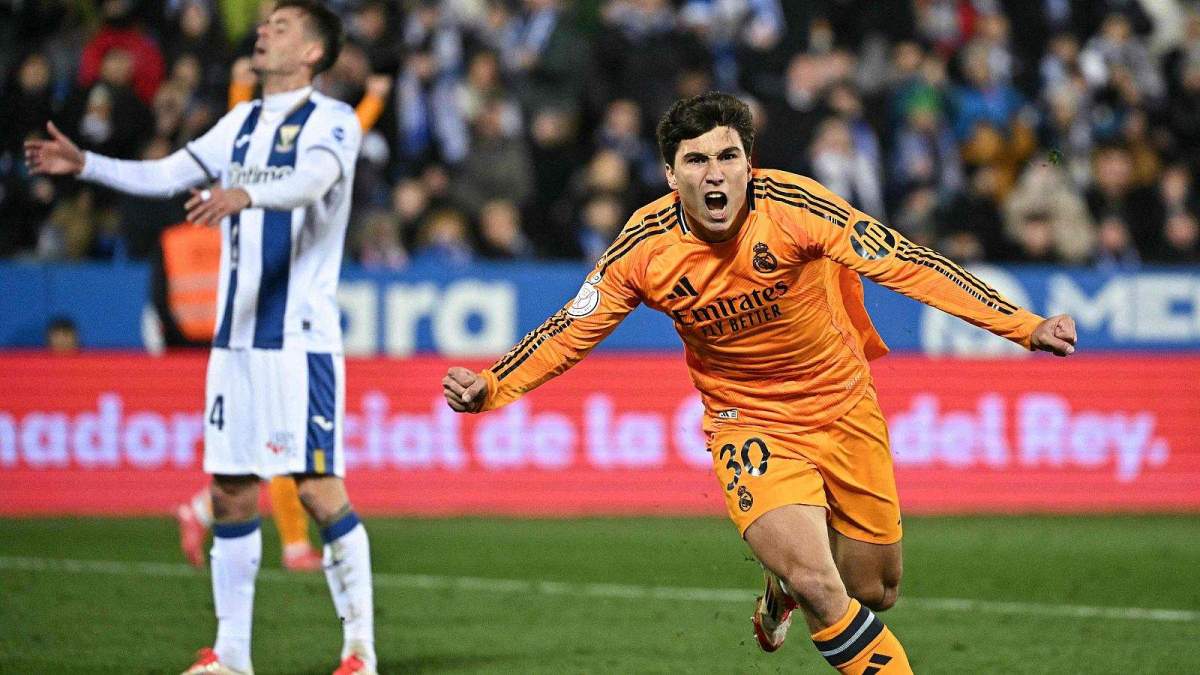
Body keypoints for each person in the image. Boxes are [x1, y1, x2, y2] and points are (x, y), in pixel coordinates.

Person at [442, 92, 1078, 674]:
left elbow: (907, 263)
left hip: (843, 405)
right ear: (671, 176)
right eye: (695, 161)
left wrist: (1022, 326)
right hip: (747, 421)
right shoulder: (644, 247)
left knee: (874, 591)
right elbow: (570, 327)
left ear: (750, 164)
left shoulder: (798, 207)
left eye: (728, 156)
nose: (714, 173)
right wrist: (493, 384)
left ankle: (779, 586)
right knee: (821, 586)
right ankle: (793, 579)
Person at [25, 2, 377, 673]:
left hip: (298, 339)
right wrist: (88, 164)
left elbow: (314, 180)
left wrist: (245, 196)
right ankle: (232, 657)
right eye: (265, 22)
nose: (264, 30)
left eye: (282, 26)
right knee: (230, 492)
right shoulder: (242, 120)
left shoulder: (331, 120)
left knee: (316, 488)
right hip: (234, 342)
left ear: (312, 53)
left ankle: (360, 650)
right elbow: (167, 174)